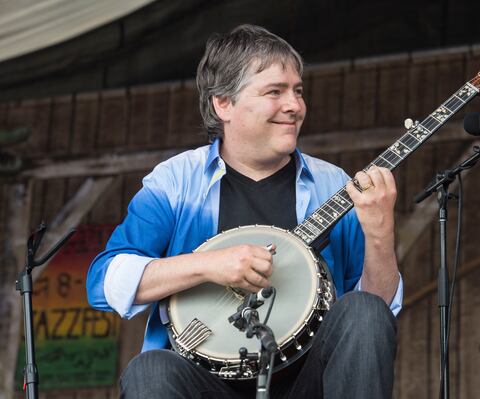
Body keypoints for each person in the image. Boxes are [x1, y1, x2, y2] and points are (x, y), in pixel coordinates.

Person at [87, 24, 403, 399]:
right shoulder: (174, 183)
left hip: (311, 385)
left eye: (298, 92)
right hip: (203, 385)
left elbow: (374, 317)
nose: (294, 106)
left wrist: (381, 234)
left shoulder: (333, 185)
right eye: (275, 92)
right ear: (224, 104)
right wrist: (209, 266)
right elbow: (104, 283)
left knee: (364, 312)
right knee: (150, 370)